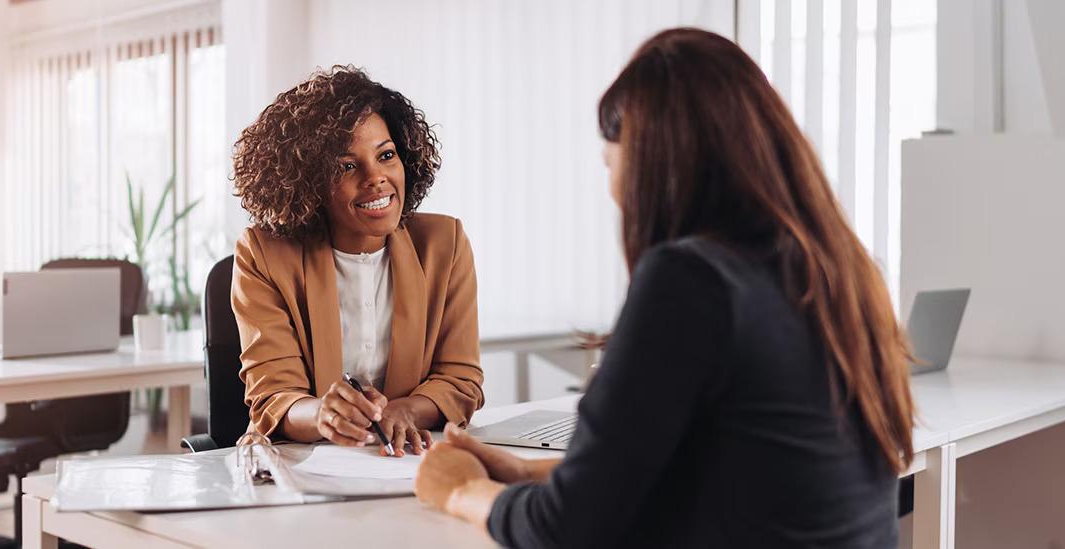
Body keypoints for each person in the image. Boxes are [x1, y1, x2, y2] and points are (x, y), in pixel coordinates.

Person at [414, 28, 915, 547]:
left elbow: (569, 530)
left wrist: (462, 491)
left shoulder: (691, 280)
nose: (613, 193)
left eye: (610, 163)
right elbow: (723, 470)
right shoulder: (842, 272)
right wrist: (523, 473)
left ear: (652, 162)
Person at [230, 66, 483, 457]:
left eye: (386, 155)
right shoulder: (263, 254)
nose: (376, 178)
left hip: (405, 462)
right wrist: (322, 415)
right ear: (309, 182)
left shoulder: (444, 244)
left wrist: (405, 411)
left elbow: (461, 379)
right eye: (347, 166)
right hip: (300, 468)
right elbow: (274, 395)